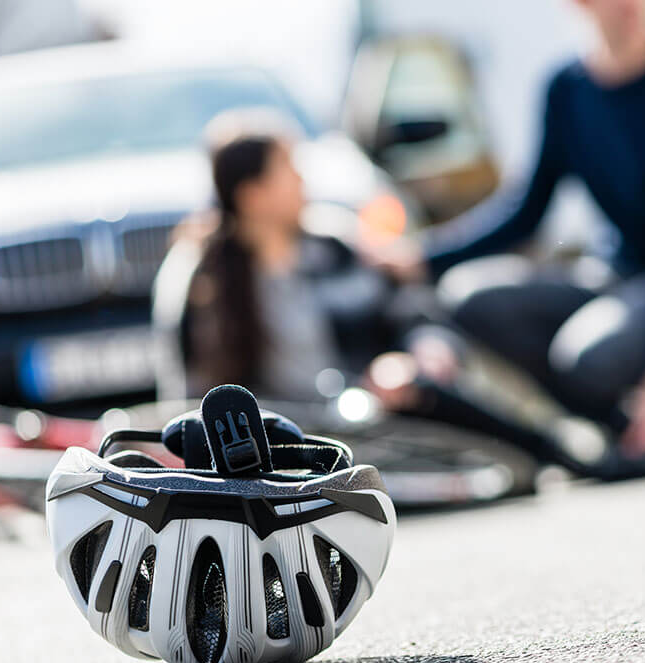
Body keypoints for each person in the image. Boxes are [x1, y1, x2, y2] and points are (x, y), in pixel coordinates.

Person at [366, 0, 645, 467]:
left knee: (592, 356)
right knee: (471, 299)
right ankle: (620, 434)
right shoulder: (567, 90)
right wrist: (424, 258)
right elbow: (527, 211)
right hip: (623, 276)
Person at [152, 110, 613, 479]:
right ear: (252, 194)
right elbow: (191, 396)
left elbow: (410, 314)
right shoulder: (199, 279)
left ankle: (556, 451)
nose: (302, 181)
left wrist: (415, 351)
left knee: (426, 388)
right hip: (274, 439)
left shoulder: (333, 247)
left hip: (364, 409)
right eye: (288, 169)